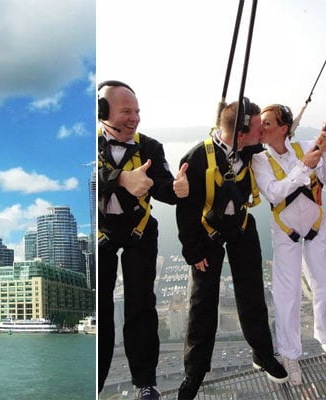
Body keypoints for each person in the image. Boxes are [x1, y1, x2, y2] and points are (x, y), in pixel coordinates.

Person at [175, 100, 288, 399]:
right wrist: (193, 252)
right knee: (202, 303)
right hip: (206, 234)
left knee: (252, 294)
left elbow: (280, 142)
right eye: (257, 128)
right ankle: (195, 371)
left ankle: (262, 354)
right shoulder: (196, 158)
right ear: (240, 133)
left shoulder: (252, 149)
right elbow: (185, 213)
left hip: (240, 227)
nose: (262, 132)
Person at [97, 80, 189, 400]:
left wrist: (176, 191)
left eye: (136, 111)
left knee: (141, 306)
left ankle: (145, 382)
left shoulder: (150, 147)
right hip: (101, 234)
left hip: (140, 230)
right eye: (126, 111)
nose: (134, 118)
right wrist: (121, 177)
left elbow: (162, 186)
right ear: (103, 111)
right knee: (102, 311)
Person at [251, 104, 326, 385]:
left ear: (284, 128)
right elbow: (273, 191)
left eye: (267, 123)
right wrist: (303, 165)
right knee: (287, 291)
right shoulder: (260, 160)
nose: (261, 129)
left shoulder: (307, 145)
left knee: (322, 285)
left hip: (316, 225)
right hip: (285, 230)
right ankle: (289, 353)